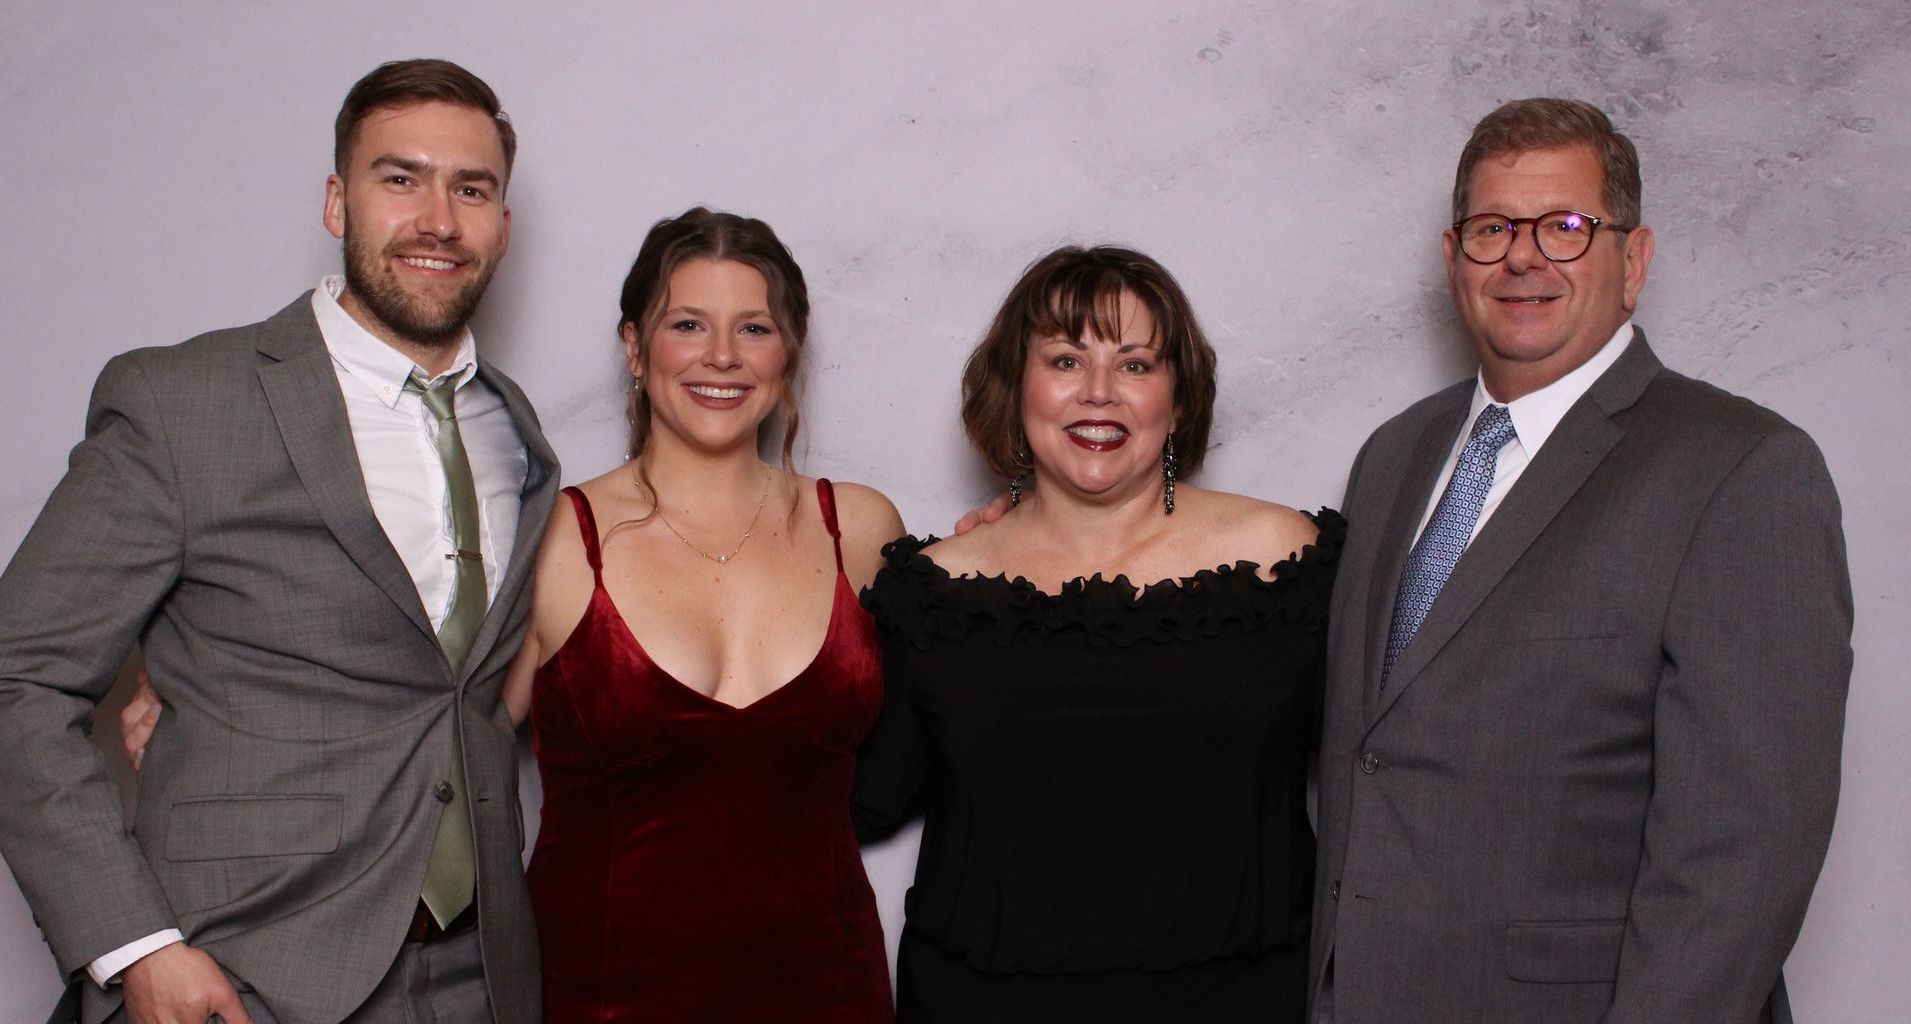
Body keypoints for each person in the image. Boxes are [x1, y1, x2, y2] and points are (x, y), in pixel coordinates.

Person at [0, 60, 557, 1024]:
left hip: (480, 971)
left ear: (503, 223)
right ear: (338, 203)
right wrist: (138, 949)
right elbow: (19, 676)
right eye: (400, 178)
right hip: (237, 967)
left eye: (472, 189)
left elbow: (458, 687)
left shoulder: (515, 430)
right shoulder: (184, 402)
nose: (438, 218)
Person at [1308, 98, 1853, 1024]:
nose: (1523, 256)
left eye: (1565, 227)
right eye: (1492, 228)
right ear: (1453, 260)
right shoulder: (1392, 455)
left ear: (1631, 260)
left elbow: (1743, 862)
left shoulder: (1742, 470)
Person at [854, 245, 1340, 1022]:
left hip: (1240, 1001)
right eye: (1065, 359)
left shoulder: (1284, 561)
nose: (1099, 394)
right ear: (1016, 388)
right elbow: (861, 799)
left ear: (1178, 401)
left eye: (1137, 365)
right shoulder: (937, 589)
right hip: (981, 1005)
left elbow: (1388, 771)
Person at [507, 208, 902, 1022]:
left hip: (829, 991)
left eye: (752, 328)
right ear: (633, 347)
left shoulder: (859, 529)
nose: (721, 356)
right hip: (602, 995)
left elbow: (967, 705)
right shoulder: (549, 537)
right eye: (687, 324)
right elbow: (439, 760)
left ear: (786, 351)